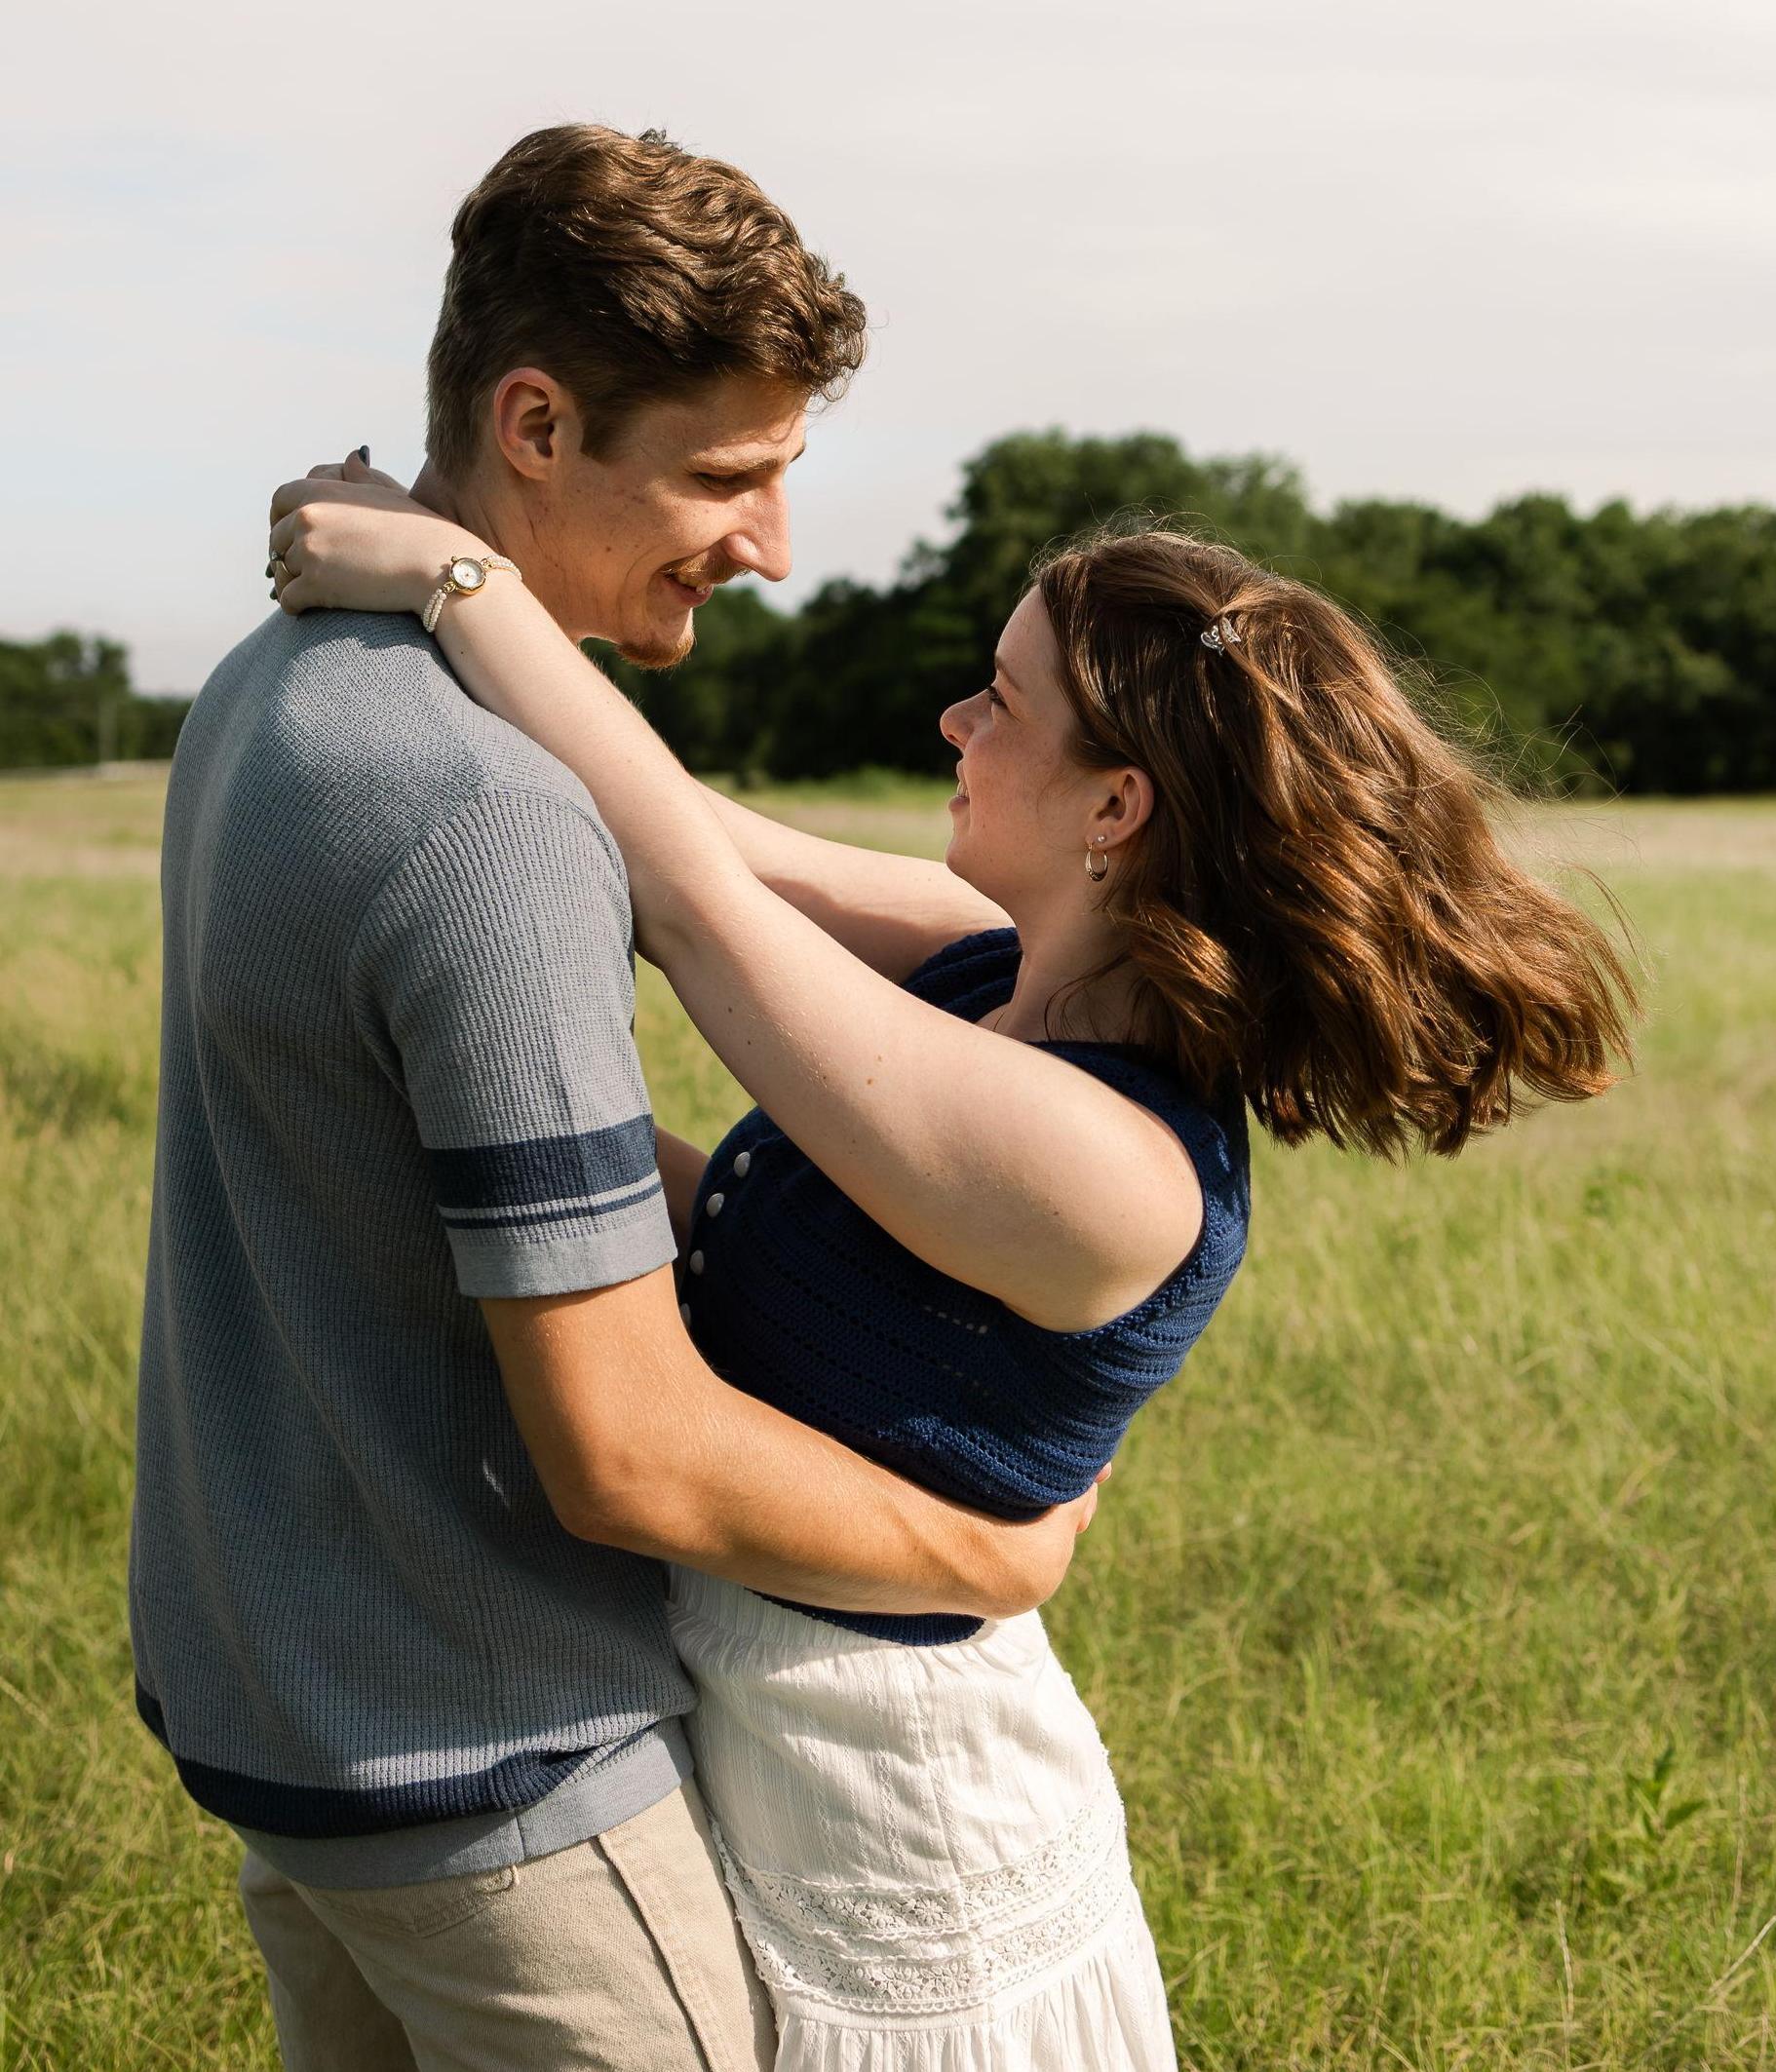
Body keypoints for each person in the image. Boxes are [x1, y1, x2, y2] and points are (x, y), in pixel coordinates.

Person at [265, 430, 1640, 2061]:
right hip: (751, 1706)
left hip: (898, 1803)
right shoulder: (989, 962)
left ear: (1114, 804)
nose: (953, 724)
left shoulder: (1111, 1166)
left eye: (1000, 699)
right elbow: (693, 837)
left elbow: (689, 895)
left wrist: (454, 577)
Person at [132, 124, 1102, 2072]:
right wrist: (994, 1551)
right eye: (725, 475)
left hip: (280, 1716)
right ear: (538, 424)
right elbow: (629, 1453)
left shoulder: (268, 685)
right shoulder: (490, 815)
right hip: (495, 1766)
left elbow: (392, 1184)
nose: (771, 545)